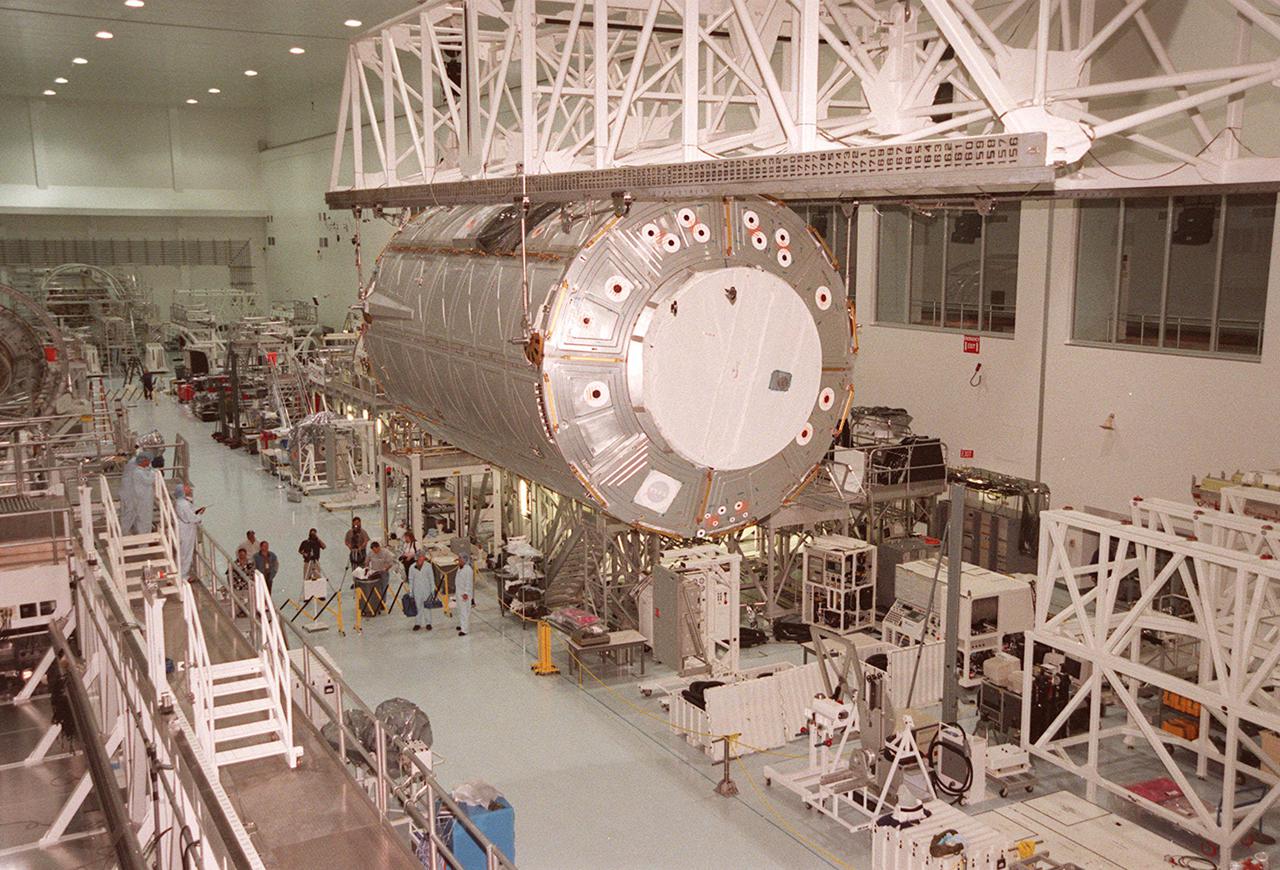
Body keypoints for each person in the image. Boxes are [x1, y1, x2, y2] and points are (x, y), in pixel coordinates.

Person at [119, 453, 155, 535]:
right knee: (131, 514)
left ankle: (126, 531)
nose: (149, 463)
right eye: (148, 461)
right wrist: (153, 473)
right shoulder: (136, 469)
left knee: (135, 515)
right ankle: (123, 533)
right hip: (131, 495)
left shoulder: (136, 466)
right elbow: (147, 480)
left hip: (135, 495)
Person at [173, 482, 203, 579]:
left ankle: (179, 573)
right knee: (186, 553)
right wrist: (199, 516)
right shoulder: (184, 504)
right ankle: (183, 576)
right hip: (187, 530)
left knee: (183, 552)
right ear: (183, 491)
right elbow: (191, 518)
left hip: (183, 528)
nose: (189, 488)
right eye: (186, 488)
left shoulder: (180, 502)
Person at [408, 551, 436, 632]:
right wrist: (411, 591)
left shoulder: (428, 566)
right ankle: (418, 623)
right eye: (420, 557)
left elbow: (431, 578)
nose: (422, 558)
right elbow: (411, 580)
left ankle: (428, 623)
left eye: (423, 557)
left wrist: (432, 590)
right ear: (417, 558)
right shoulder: (412, 567)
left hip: (426, 589)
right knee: (418, 606)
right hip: (416, 590)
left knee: (427, 606)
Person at [365, 541, 395, 615]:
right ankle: (375, 602)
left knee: (383, 588)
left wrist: (385, 569)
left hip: (383, 573)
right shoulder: (371, 552)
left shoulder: (386, 553)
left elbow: (390, 563)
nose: (375, 552)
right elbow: (367, 561)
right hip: (374, 572)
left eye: (375, 550)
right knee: (375, 588)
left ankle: (382, 603)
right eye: (373, 550)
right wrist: (367, 567)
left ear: (378, 547)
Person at [454, 552, 474, 636]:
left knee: (464, 611)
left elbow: (469, 583)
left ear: (464, 560)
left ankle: (464, 629)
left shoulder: (468, 569)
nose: (458, 560)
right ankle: (461, 625)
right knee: (460, 610)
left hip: (464, 594)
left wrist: (466, 593)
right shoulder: (460, 568)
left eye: (460, 559)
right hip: (459, 592)